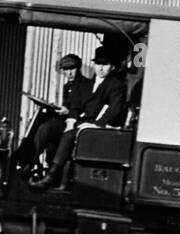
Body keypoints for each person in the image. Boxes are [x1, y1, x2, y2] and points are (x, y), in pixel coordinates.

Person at [41, 46, 128, 190]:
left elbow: (115, 109)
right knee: (48, 126)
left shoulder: (116, 85)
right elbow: (75, 106)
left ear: (112, 67)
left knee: (70, 135)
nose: (100, 68)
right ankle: (25, 163)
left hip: (97, 127)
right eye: (98, 64)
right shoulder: (87, 84)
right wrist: (71, 120)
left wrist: (97, 124)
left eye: (105, 65)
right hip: (79, 123)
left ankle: (52, 175)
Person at [32, 53, 92, 171]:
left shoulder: (87, 85)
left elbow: (88, 111)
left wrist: (68, 112)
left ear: (78, 68)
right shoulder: (67, 87)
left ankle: (30, 160)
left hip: (77, 125)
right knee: (40, 122)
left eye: (72, 69)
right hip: (66, 122)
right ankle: (30, 158)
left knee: (47, 128)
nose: (69, 73)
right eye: (66, 70)